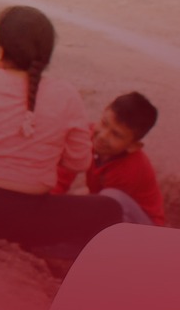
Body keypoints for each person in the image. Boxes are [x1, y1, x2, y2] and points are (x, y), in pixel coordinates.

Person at [0, 5, 129, 258]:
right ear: (46, 56)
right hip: (19, 218)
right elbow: (79, 162)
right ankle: (61, 257)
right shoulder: (65, 95)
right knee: (109, 208)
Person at [68, 92, 164, 227]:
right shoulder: (89, 136)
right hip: (110, 205)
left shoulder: (131, 168)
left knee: (110, 197)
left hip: (144, 227)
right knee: (72, 199)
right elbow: (64, 172)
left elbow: (104, 208)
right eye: (104, 123)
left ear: (133, 146)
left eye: (116, 135)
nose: (103, 136)